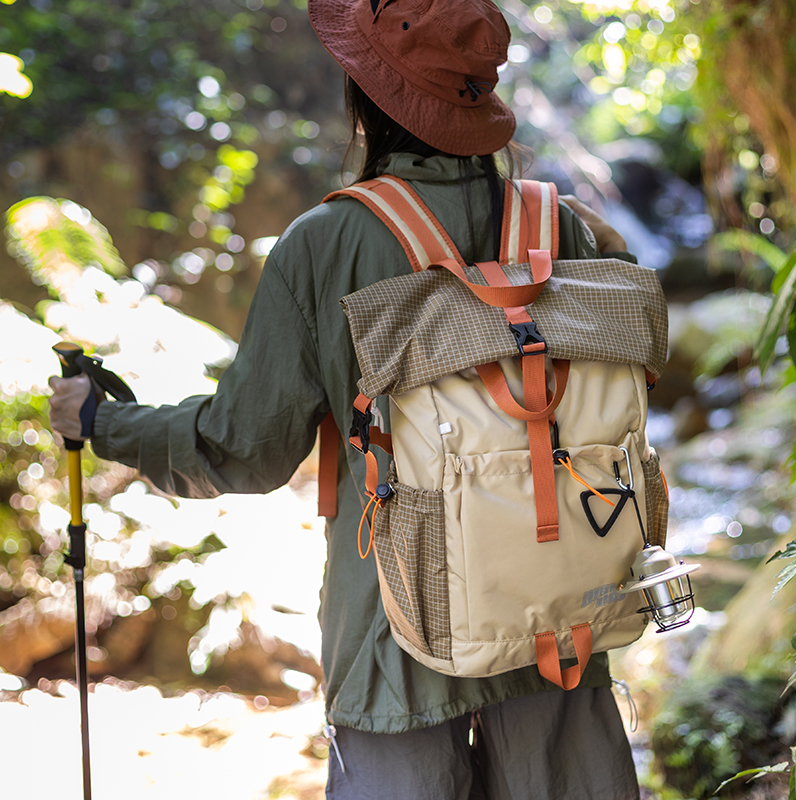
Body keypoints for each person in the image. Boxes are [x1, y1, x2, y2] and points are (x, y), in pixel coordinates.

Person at [49, 0, 640, 797]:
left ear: (370, 99)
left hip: (397, 637)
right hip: (558, 621)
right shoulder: (557, 227)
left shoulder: (327, 243)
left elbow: (242, 449)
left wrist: (102, 422)